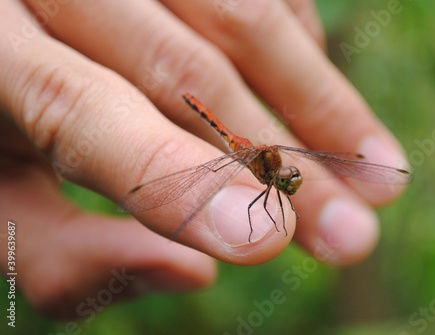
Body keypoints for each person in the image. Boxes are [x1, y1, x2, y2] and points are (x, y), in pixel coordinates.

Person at [0, 0, 408, 319]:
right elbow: (249, 205)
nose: (290, 183)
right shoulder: (259, 167)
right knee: (243, 203)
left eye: (290, 180)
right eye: (288, 180)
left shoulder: (278, 171)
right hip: (215, 119)